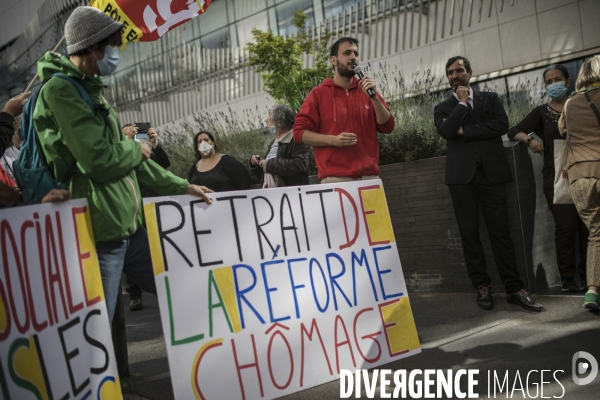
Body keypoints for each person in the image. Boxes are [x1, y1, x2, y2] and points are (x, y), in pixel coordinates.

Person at [33, 6, 212, 325]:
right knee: (96, 323)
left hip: (126, 225)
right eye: (111, 45)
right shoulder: (60, 90)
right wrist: (134, 148)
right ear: (91, 47)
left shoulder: (92, 91)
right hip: (98, 228)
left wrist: (183, 186)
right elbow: (99, 161)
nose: (115, 53)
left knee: (177, 286)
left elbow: (132, 163)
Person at [434, 56, 542, 311]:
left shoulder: (490, 99)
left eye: (459, 70)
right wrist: (460, 105)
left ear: (470, 72)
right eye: (450, 72)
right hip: (461, 179)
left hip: (492, 175)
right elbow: (446, 131)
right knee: (470, 235)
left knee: (501, 233)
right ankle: (483, 287)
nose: (454, 75)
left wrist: (465, 131)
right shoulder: (442, 107)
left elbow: (502, 126)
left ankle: (514, 288)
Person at [508, 65, 588, 292]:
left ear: (568, 82)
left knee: (587, 228)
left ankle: (588, 277)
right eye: (549, 81)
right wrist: (531, 140)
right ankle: (568, 279)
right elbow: (514, 130)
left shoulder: (581, 104)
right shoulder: (542, 112)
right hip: (555, 178)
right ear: (545, 86)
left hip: (584, 173)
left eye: (558, 79)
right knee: (565, 227)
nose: (554, 84)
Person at [293, 37, 395, 183]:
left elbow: (388, 126)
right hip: (335, 180)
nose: (353, 57)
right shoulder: (318, 94)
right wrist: (333, 140)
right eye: (347, 53)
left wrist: (375, 99)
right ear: (333, 60)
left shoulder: (366, 90)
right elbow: (299, 133)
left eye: (355, 54)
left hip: (370, 178)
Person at [558, 55, 600, 310]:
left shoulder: (570, 103)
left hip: (580, 178)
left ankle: (593, 292)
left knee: (596, 234)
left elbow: (564, 131)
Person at [123, 123, 171, 311]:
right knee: (135, 250)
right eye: (129, 130)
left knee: (154, 251)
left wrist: (155, 144)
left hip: (153, 206)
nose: (133, 132)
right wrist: (128, 143)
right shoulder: (123, 150)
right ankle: (135, 295)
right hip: (136, 209)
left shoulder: (145, 151)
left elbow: (163, 166)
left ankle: (164, 291)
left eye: (136, 130)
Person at [250, 105, 310, 188]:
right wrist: (256, 164)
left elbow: (301, 165)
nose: (266, 119)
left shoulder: (297, 139)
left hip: (289, 197)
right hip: (274, 198)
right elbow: (268, 174)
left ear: (278, 119)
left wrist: (268, 164)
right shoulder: (273, 143)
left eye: (269, 114)